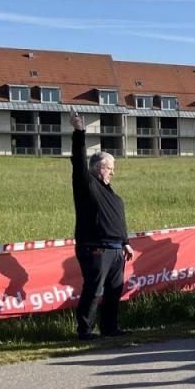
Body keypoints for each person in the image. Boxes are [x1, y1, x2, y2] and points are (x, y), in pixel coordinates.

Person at [69, 114, 134, 341]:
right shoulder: (87, 185)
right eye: (110, 167)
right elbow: (78, 160)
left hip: (117, 250)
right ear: (98, 167)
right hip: (95, 248)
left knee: (114, 291)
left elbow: (118, 218)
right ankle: (85, 331)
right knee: (94, 290)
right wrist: (79, 132)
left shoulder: (112, 194)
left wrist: (126, 242)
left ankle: (109, 328)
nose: (113, 172)